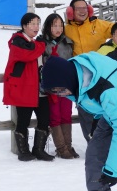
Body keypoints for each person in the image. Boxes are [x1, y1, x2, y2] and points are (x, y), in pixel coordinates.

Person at [41, 53, 117, 191]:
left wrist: (112, 170)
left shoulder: (106, 88)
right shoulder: (75, 77)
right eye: (55, 92)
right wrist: (97, 118)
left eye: (60, 90)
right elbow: (93, 98)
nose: (60, 95)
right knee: (94, 157)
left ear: (66, 79)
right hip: (113, 110)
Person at [64, 0, 117, 142]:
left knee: (104, 109)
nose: (82, 11)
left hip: (100, 76)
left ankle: (108, 143)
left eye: (85, 8)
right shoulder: (66, 30)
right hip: (81, 77)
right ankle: (93, 144)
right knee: (85, 110)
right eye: (78, 9)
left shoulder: (98, 25)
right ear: (71, 12)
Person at [2, 12, 54, 162]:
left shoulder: (35, 42)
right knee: (23, 121)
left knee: (45, 119)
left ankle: (39, 150)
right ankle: (23, 151)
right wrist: (41, 44)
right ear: (24, 26)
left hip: (40, 88)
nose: (36, 27)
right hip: (24, 88)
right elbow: (28, 55)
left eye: (38, 23)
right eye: (32, 24)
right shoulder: (17, 41)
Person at [37, 13, 79, 159]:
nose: (58, 28)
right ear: (48, 27)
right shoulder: (41, 43)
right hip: (51, 86)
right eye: (54, 25)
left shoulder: (68, 43)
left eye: (60, 25)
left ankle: (68, 145)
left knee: (66, 115)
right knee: (55, 116)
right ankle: (61, 148)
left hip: (66, 85)